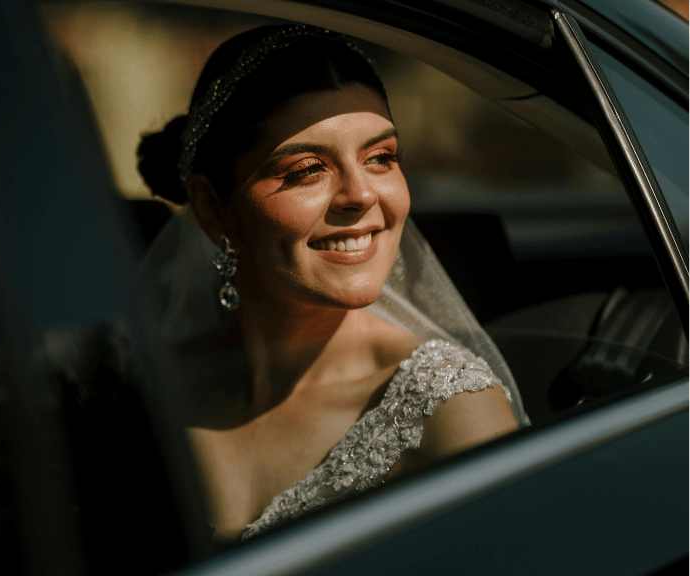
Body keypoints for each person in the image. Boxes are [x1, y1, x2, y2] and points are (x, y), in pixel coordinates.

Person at [136, 24, 527, 542]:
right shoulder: (148, 387)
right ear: (213, 208)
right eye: (307, 170)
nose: (361, 194)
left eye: (381, 158)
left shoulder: (450, 406)